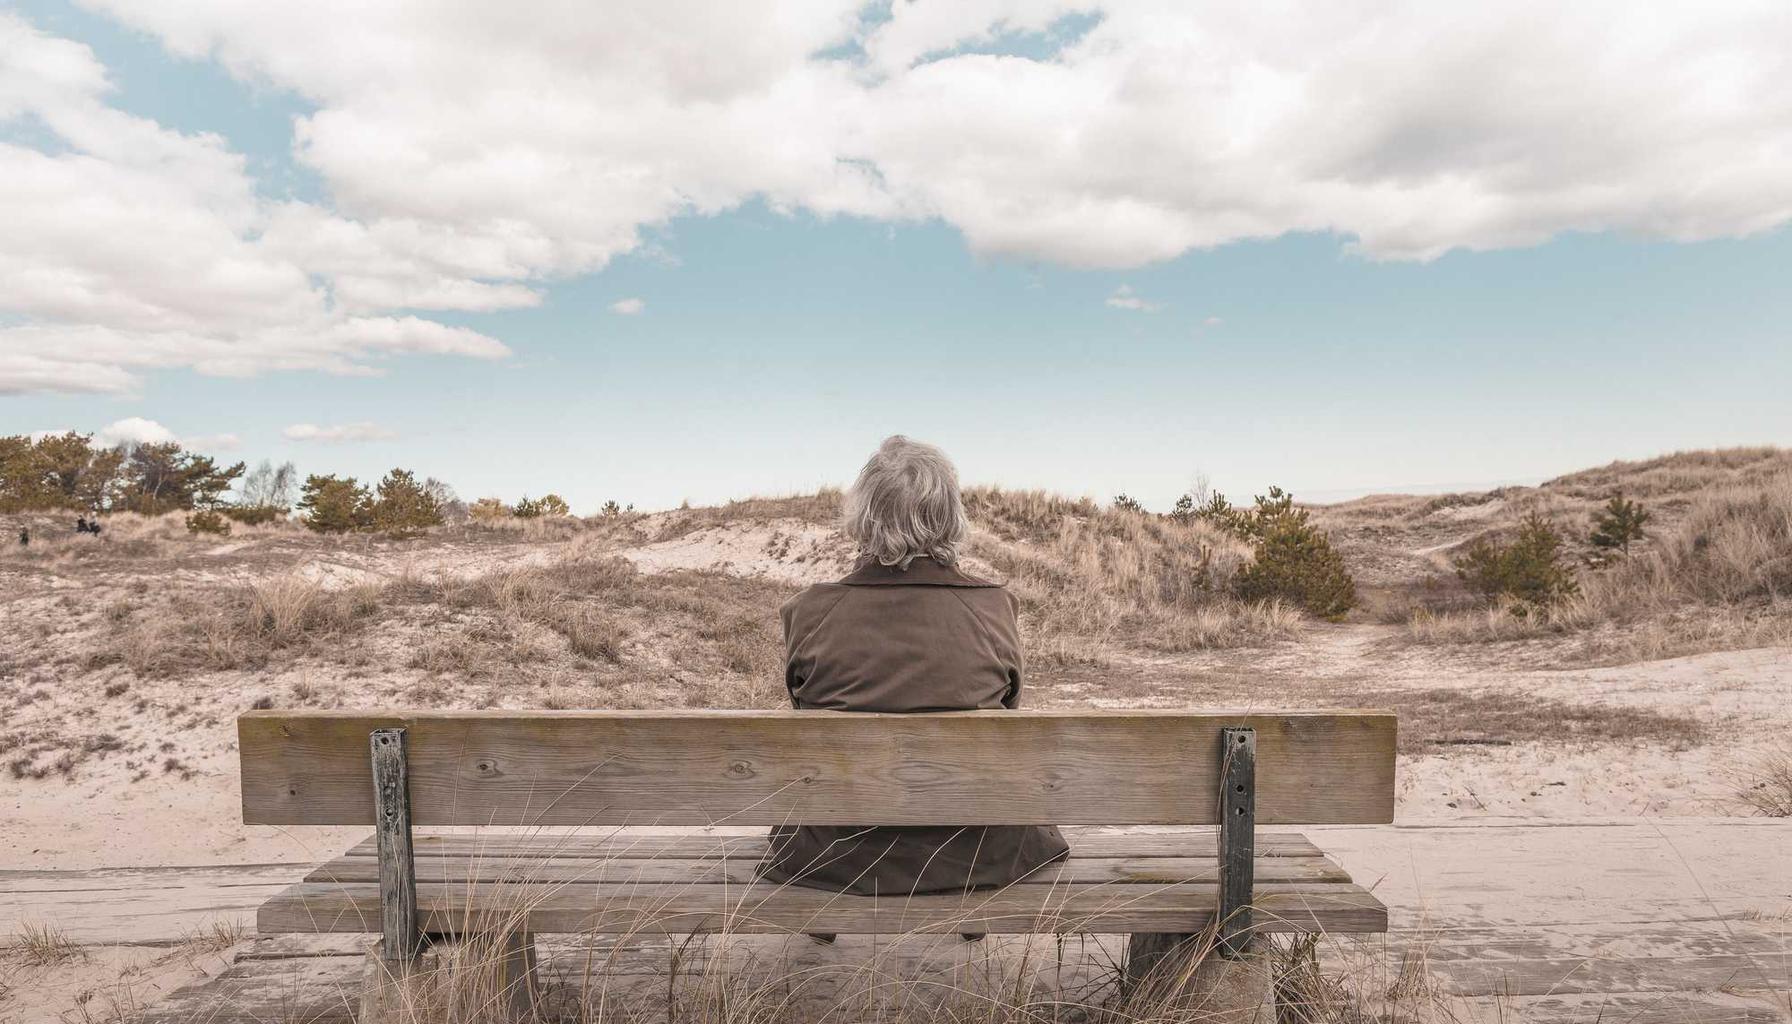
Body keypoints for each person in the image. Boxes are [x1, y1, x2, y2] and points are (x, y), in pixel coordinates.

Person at [757, 435, 1070, 897]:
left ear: (864, 518)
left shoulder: (809, 612)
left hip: (840, 856)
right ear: (949, 516)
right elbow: (1009, 712)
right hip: (976, 851)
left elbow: (804, 710)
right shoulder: (994, 610)